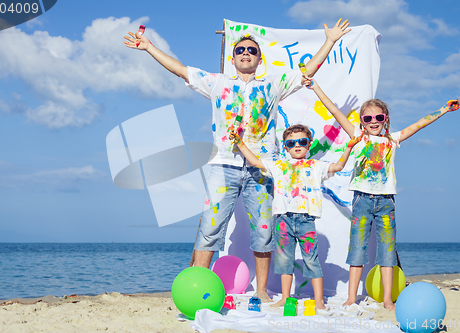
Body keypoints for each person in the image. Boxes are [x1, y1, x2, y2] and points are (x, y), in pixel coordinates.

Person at [124, 19, 351, 301]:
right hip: (223, 166)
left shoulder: (273, 84)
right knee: (210, 227)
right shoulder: (217, 82)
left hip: (263, 169)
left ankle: (263, 293)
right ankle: (199, 287)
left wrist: (329, 41)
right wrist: (149, 47)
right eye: (241, 49)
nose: (246, 53)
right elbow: (180, 69)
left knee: (265, 230)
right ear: (232, 58)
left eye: (252, 51)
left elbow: (308, 69)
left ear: (258, 59)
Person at [308, 79, 460, 310]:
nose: (373, 122)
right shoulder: (358, 137)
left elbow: (418, 125)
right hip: (361, 200)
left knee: (387, 252)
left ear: (385, 119)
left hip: (387, 202)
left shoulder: (392, 140)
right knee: (357, 249)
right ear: (361, 121)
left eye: (379, 117)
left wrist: (444, 109)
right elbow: (335, 111)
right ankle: (351, 298)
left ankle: (388, 299)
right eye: (368, 118)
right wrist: (315, 87)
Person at [230, 123, 360, 308]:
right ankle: (284, 298)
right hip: (283, 220)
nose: (296, 145)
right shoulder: (278, 165)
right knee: (284, 262)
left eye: (302, 141)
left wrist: (348, 148)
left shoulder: (316, 166)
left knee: (311, 261)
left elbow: (338, 166)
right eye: (291, 143)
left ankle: (319, 301)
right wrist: (241, 143)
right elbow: (256, 162)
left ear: (309, 144)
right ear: (285, 147)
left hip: (306, 220)